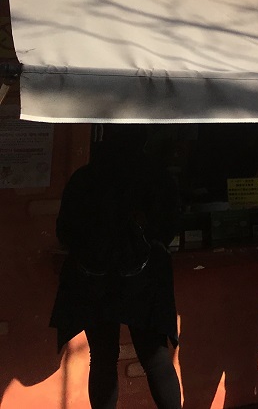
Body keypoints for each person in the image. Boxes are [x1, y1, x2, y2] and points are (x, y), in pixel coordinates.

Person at [51, 126, 183, 409]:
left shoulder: (85, 177)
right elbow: (170, 227)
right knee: (156, 358)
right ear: (143, 136)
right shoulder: (158, 178)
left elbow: (65, 231)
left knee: (102, 358)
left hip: (94, 277)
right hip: (145, 280)